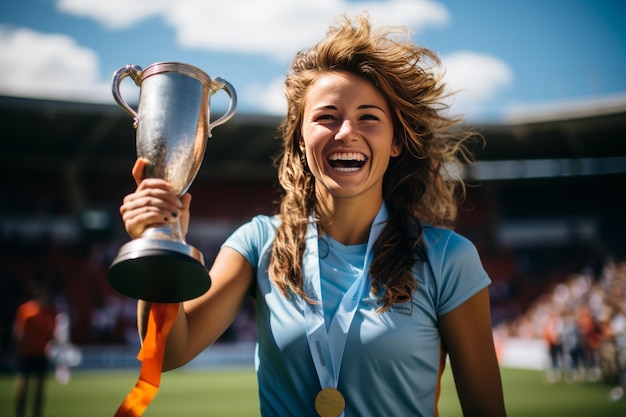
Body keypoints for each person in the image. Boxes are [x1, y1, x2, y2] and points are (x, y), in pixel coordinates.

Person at [119, 13, 507, 417]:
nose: (345, 133)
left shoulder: (448, 259)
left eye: (369, 117)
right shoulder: (257, 244)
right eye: (326, 116)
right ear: (301, 139)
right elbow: (167, 352)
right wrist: (160, 243)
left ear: (396, 142)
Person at [12, 282, 57, 417]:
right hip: (27, 353)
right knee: (23, 385)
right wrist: (17, 352)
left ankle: (37, 413)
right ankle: (20, 413)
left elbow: (50, 335)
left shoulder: (49, 313)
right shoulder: (26, 310)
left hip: (41, 354)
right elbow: (19, 333)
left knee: (39, 387)